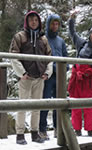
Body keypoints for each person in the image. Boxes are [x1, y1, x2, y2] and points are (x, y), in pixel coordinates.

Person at [9, 11, 53, 145]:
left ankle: (35, 133)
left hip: (39, 77)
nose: (34, 22)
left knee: (36, 107)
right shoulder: (20, 37)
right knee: (22, 106)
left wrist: (47, 72)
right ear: (27, 22)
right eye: (31, 20)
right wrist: (21, 73)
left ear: (39, 22)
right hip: (25, 78)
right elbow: (13, 56)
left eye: (36, 20)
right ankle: (20, 134)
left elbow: (49, 58)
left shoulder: (43, 39)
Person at [68, 11, 92, 137]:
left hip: (88, 79)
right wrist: (72, 19)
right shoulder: (81, 43)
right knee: (75, 105)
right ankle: (77, 129)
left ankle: (90, 129)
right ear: (89, 35)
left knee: (88, 105)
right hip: (76, 77)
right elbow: (72, 33)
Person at [39, 14, 68, 140]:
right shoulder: (43, 39)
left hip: (59, 77)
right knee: (45, 102)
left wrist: (65, 68)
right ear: (48, 24)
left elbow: (65, 58)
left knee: (59, 104)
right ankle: (42, 129)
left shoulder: (61, 41)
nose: (55, 26)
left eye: (57, 24)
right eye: (53, 24)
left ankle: (58, 129)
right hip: (47, 76)